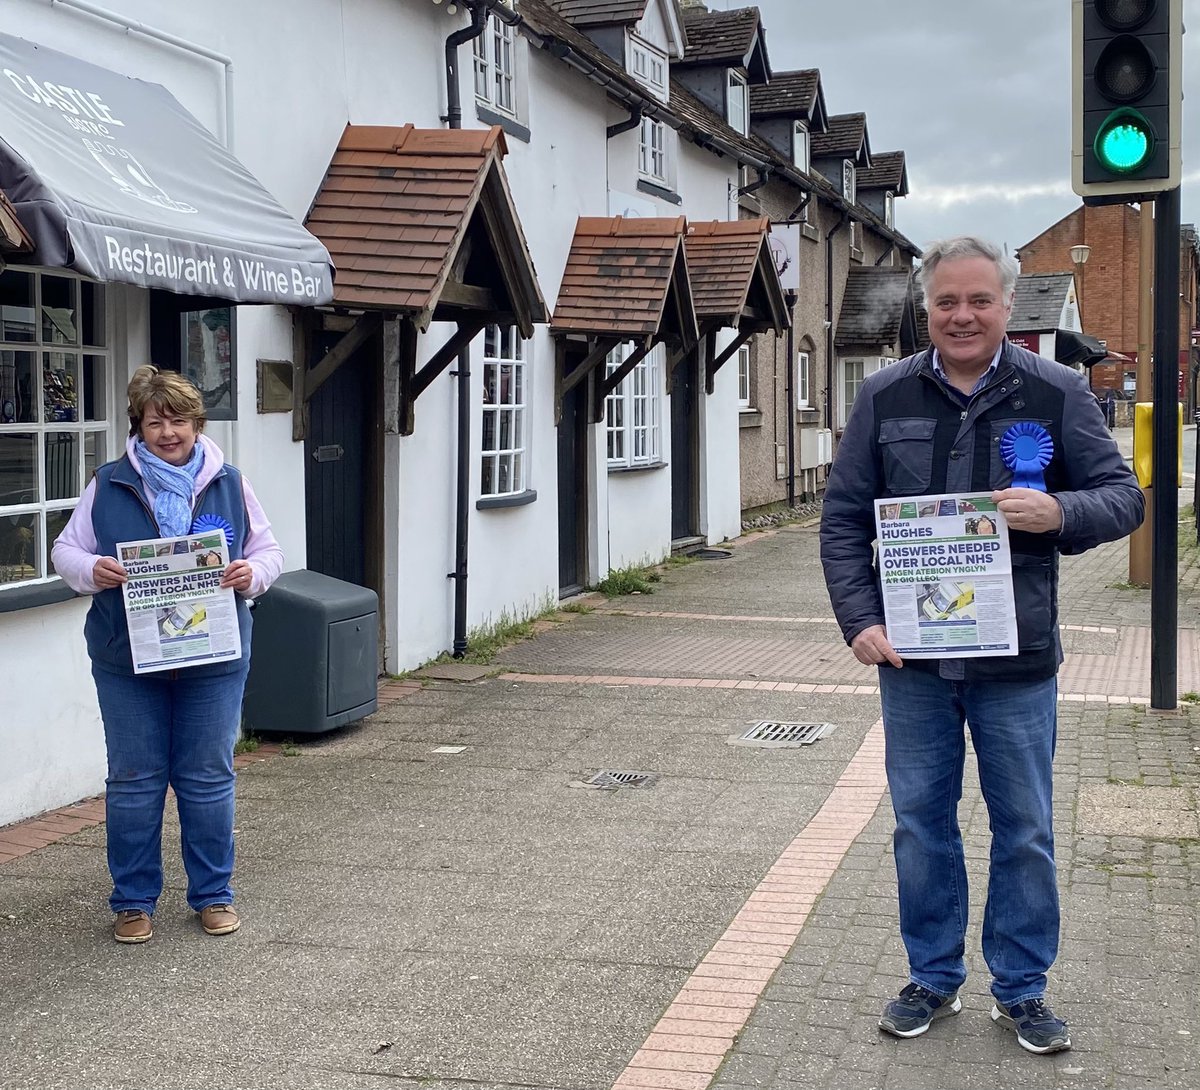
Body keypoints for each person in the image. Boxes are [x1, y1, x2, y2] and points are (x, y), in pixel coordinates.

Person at [820, 237, 1143, 1055]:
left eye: (979, 301)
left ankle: (1022, 989)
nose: (962, 316)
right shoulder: (886, 396)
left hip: (1018, 665)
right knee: (920, 827)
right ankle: (932, 976)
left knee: (1025, 827)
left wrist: (1060, 514)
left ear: (1008, 307)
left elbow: (1125, 499)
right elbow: (843, 519)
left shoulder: (1059, 392)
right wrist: (860, 621)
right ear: (926, 309)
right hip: (914, 664)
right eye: (946, 303)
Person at [52, 365, 283, 944]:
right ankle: (132, 901)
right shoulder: (108, 483)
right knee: (134, 779)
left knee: (206, 776)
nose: (168, 432)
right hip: (126, 658)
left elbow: (268, 550)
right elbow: (66, 550)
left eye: (178, 420)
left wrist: (250, 572)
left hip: (213, 656)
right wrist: (91, 569)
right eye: (156, 421)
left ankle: (213, 895)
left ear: (196, 424)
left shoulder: (229, 480)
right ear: (140, 426)